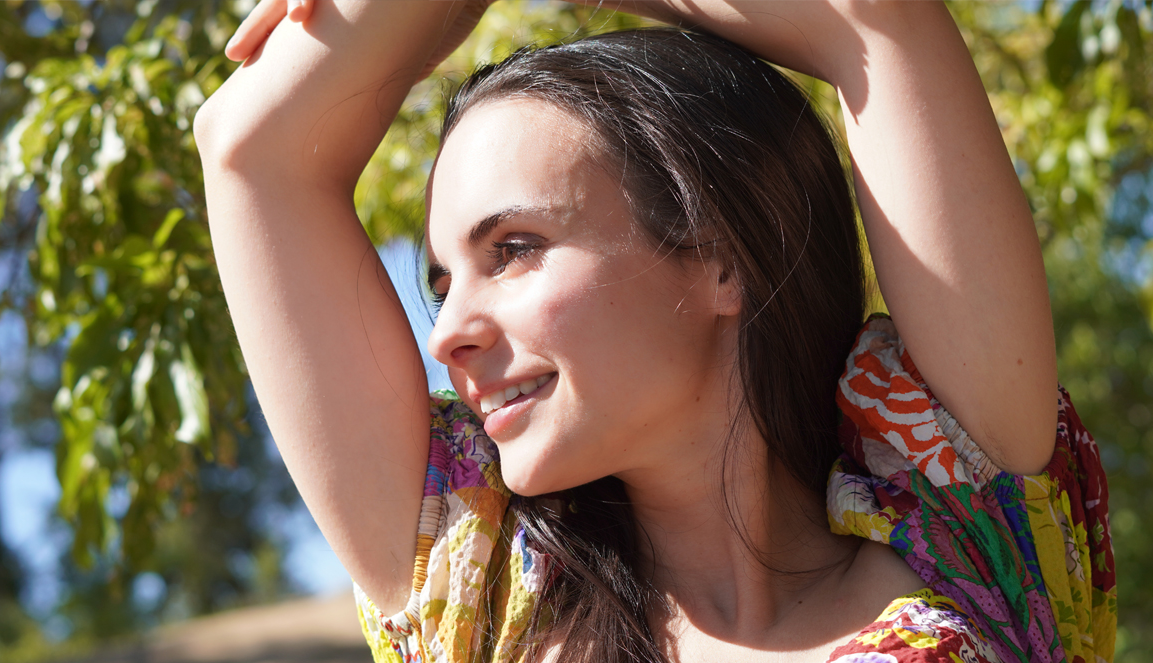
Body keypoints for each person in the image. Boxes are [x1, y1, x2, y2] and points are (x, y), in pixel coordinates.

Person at [194, 1, 1115, 661]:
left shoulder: (974, 532)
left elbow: (875, 21)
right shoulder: (479, 591)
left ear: (720, 254)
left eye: (513, 248)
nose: (448, 336)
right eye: (441, 285)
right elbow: (251, 151)